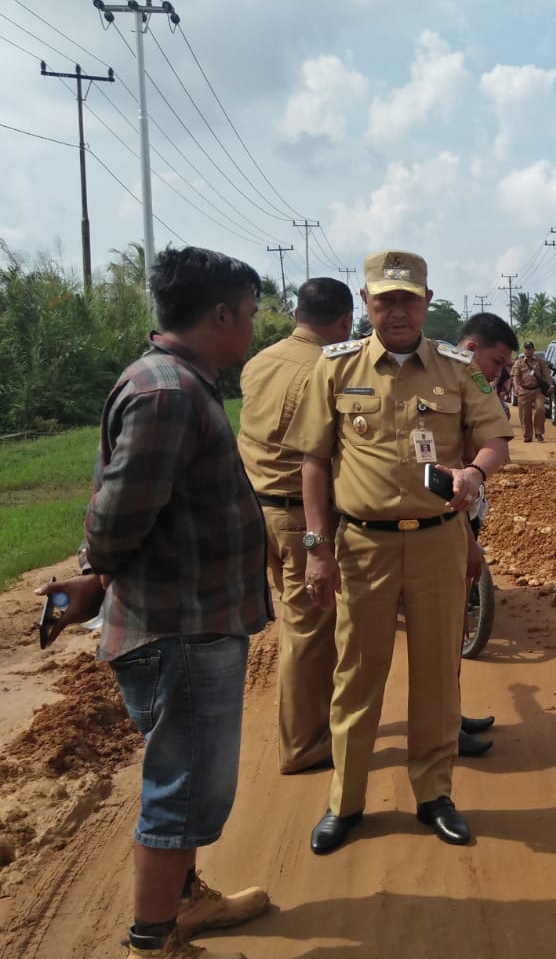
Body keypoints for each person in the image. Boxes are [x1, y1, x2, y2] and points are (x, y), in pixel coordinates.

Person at [36, 247, 273, 959]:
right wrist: (98, 569)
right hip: (182, 629)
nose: (253, 330)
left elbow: (138, 510)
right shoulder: (170, 393)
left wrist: (94, 579)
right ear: (222, 314)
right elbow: (118, 517)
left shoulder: (170, 380)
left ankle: (186, 900)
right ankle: (154, 940)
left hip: (186, 617)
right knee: (183, 785)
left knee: (187, 771)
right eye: (252, 315)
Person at [284, 250, 512, 855]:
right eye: (385, 300)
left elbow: (494, 439)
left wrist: (475, 473)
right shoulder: (335, 368)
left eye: (409, 299)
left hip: (437, 542)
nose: (398, 311)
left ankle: (434, 795)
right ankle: (346, 802)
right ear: (367, 304)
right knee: (357, 675)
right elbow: (312, 460)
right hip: (361, 546)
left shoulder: (458, 369)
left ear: (427, 302)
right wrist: (316, 547)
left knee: (437, 675)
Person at [237, 278, 352, 775]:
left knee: (300, 622)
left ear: (296, 313)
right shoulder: (328, 370)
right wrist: (320, 540)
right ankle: (304, 745)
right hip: (302, 518)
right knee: (308, 631)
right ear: (347, 321)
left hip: (255, 510)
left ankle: (315, 724)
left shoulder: (259, 361)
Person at [453, 312, 520, 755]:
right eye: (497, 362)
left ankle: (446, 720)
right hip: (433, 515)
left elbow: (497, 442)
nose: (499, 373)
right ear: (473, 349)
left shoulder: (476, 385)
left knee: (444, 637)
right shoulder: (441, 376)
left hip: (462, 501)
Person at [511, 339, 552, 442]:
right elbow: (515, 376)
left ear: (534, 350)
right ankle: (527, 435)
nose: (528, 351)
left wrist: (550, 385)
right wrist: (516, 386)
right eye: (526, 349)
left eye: (530, 349)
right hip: (524, 390)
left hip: (537, 390)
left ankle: (539, 433)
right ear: (524, 350)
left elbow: (547, 374)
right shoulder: (519, 362)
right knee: (525, 414)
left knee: (540, 409)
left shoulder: (540, 361)